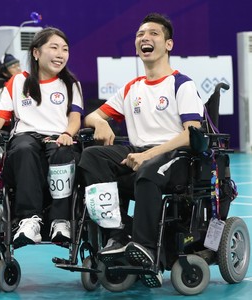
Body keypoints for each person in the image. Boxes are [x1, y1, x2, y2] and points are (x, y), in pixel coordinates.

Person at [78, 13, 203, 287]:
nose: (145, 38)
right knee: (91, 156)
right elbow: (92, 116)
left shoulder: (181, 84)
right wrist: (101, 123)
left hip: (176, 158)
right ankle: (118, 232)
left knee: (147, 169)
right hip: (138, 154)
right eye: (140, 35)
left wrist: (150, 154)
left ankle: (145, 247)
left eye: (153, 34)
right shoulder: (131, 88)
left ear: (168, 44)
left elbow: (192, 133)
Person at [0, 27, 84, 247]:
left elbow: (75, 118)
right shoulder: (19, 81)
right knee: (24, 149)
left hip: (59, 137)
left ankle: (61, 221)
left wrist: (67, 133)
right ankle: (29, 220)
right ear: (36, 53)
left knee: (64, 151)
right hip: (26, 136)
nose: (60, 54)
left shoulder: (71, 84)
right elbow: (2, 116)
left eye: (65, 49)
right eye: (54, 48)